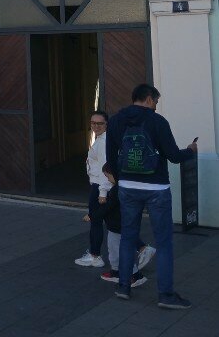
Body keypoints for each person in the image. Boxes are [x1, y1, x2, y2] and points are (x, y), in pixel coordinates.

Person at [106, 84, 198, 309]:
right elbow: (173, 156)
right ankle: (165, 295)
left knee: (128, 237)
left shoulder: (116, 121)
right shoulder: (158, 122)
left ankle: (124, 286)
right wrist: (191, 150)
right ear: (148, 98)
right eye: (156, 101)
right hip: (156, 188)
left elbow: (111, 157)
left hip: (127, 187)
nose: (156, 106)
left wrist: (122, 180)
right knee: (164, 242)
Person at [99, 162, 156, 287]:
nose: (107, 179)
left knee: (120, 250)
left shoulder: (117, 190)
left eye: (108, 176)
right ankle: (117, 271)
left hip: (118, 225)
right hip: (119, 225)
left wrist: (94, 215)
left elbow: (109, 207)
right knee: (114, 249)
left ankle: (134, 275)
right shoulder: (126, 186)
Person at [75, 110, 112, 267]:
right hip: (100, 186)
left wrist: (102, 192)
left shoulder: (103, 142)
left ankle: (95, 256)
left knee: (96, 220)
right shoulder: (102, 139)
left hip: (99, 187)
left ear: (106, 124)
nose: (96, 126)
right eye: (93, 123)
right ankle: (142, 247)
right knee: (112, 221)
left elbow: (105, 169)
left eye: (100, 123)